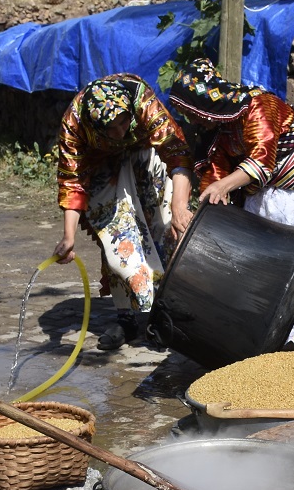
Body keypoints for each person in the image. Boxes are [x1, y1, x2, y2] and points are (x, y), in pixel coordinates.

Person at [167, 58, 294, 358]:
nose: (195, 123)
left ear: (205, 104)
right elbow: (215, 179)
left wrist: (223, 187)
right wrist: (195, 225)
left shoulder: (260, 105)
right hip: (265, 196)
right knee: (272, 269)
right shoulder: (217, 133)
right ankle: (283, 336)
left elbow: (261, 160)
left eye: (194, 115)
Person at [52, 73, 196, 350]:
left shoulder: (139, 97)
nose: (119, 133)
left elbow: (175, 150)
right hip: (101, 168)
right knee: (117, 242)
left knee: (167, 227)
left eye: (123, 122)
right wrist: (68, 236)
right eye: (111, 128)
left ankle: (169, 312)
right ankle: (127, 319)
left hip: (146, 155)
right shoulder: (74, 123)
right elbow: (72, 181)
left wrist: (179, 206)